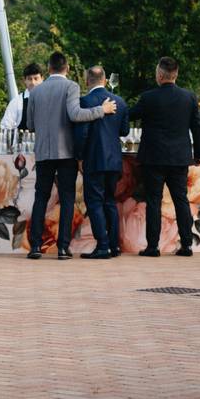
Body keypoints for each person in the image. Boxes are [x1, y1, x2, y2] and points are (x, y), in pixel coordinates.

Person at [26, 52, 117, 260]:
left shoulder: (36, 92)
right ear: (66, 68)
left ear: (48, 69)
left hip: (43, 153)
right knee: (67, 199)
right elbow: (76, 115)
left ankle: (35, 247)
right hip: (66, 151)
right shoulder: (71, 87)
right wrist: (101, 110)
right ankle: (62, 248)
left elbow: (30, 124)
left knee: (41, 197)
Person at [129, 57, 200, 257]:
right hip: (179, 158)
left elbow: (129, 115)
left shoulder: (148, 98)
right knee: (181, 200)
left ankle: (153, 247)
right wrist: (199, 154)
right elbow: (197, 128)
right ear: (176, 75)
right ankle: (186, 245)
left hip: (153, 158)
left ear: (160, 75)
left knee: (154, 201)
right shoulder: (189, 98)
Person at [78, 66, 130, 259]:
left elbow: (82, 134)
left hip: (94, 158)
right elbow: (124, 131)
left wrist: (80, 157)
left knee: (94, 202)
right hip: (114, 160)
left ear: (87, 81)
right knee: (110, 201)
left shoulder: (84, 101)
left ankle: (103, 246)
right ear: (105, 80)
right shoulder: (120, 102)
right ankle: (114, 246)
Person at [0, 63, 44, 131]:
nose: (33, 82)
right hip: (22, 141)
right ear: (25, 80)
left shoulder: (50, 100)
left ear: (42, 79)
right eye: (29, 79)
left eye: (36, 78)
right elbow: (5, 127)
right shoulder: (16, 102)